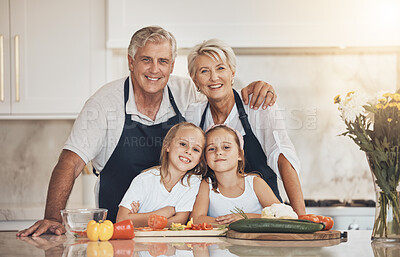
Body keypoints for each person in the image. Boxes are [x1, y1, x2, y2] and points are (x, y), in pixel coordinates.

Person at [17, 26, 277, 237]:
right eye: (146, 60)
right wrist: (52, 217)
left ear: (172, 65)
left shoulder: (185, 92)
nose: (155, 69)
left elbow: (219, 90)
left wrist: (251, 87)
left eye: (163, 61)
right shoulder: (104, 104)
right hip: (118, 233)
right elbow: (70, 163)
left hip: (176, 233)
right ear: (131, 62)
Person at [185, 39, 306, 216]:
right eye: (204, 71)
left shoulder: (258, 107)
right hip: (215, 222)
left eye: (220, 68)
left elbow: (282, 158)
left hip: (264, 219)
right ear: (195, 80)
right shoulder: (193, 115)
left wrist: (301, 217)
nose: (214, 77)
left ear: (232, 73)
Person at [116, 122, 205, 226]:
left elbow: (180, 220)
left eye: (196, 149)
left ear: (200, 159)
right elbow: (121, 220)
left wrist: (137, 219)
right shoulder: (144, 180)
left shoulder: (193, 182)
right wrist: (163, 213)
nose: (188, 151)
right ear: (167, 146)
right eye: (183, 144)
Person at [191, 125, 281, 224]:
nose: (219, 152)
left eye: (226, 147)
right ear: (205, 158)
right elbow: (196, 219)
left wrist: (244, 217)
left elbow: (281, 215)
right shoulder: (207, 184)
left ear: (239, 155)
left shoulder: (255, 183)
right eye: (211, 149)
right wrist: (230, 222)